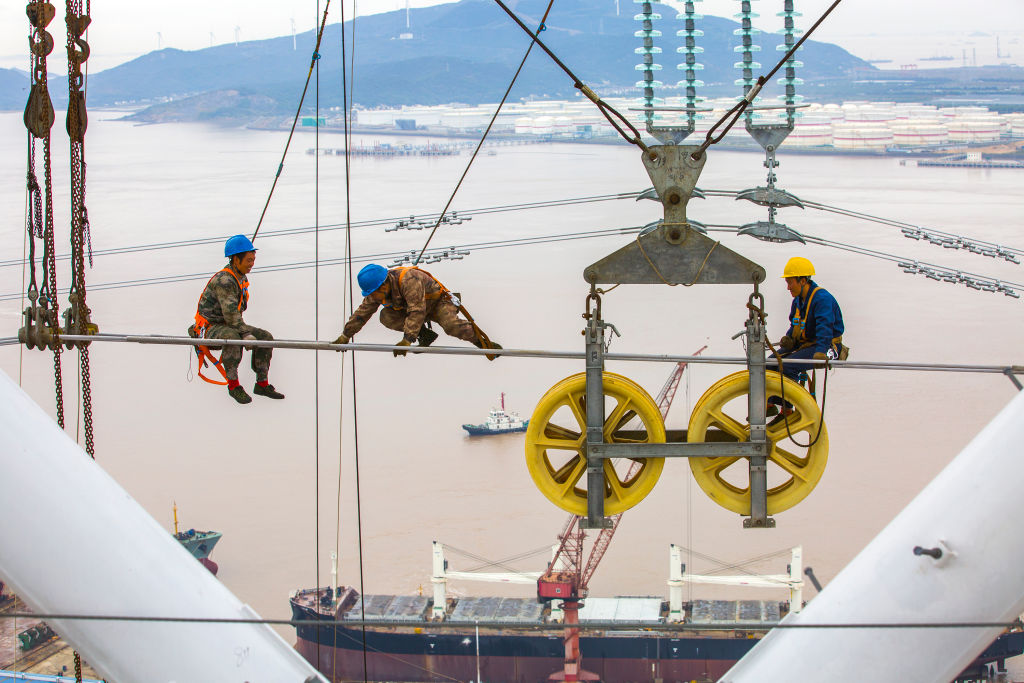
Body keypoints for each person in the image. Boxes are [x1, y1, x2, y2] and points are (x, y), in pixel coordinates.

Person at [189, 235, 284, 404]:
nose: (251, 264)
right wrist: (245, 334)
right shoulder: (225, 280)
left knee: (265, 337)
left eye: (253, 260)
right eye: (248, 260)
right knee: (233, 338)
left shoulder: (241, 278)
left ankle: (262, 383)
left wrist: (247, 333)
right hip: (211, 327)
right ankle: (233, 386)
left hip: (230, 323)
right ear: (235, 259)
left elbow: (235, 316)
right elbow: (231, 313)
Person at [332, 264, 500, 359]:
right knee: (387, 317)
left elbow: (417, 310)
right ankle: (424, 334)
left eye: (375, 292)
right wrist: (345, 335)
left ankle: (482, 343)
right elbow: (362, 313)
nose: (374, 296)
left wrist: (407, 340)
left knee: (451, 326)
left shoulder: (408, 279)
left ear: (384, 283)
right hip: (415, 309)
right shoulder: (377, 293)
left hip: (437, 304)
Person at [769, 256, 846, 420]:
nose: (788, 287)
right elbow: (795, 324)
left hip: (826, 347)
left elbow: (825, 328)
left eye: (790, 283)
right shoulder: (798, 301)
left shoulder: (822, 299)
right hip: (807, 344)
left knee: (789, 365)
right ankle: (770, 405)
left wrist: (821, 352)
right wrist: (789, 339)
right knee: (769, 363)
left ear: (803, 281)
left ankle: (786, 410)